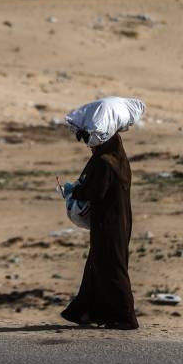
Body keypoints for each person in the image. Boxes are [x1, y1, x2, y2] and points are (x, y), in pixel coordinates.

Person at [60, 128, 139, 330]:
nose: (91, 147)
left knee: (112, 267)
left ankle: (126, 317)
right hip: (117, 221)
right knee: (97, 265)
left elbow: (97, 192)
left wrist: (75, 192)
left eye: (93, 143)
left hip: (108, 223)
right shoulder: (119, 160)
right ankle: (85, 312)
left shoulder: (104, 163)